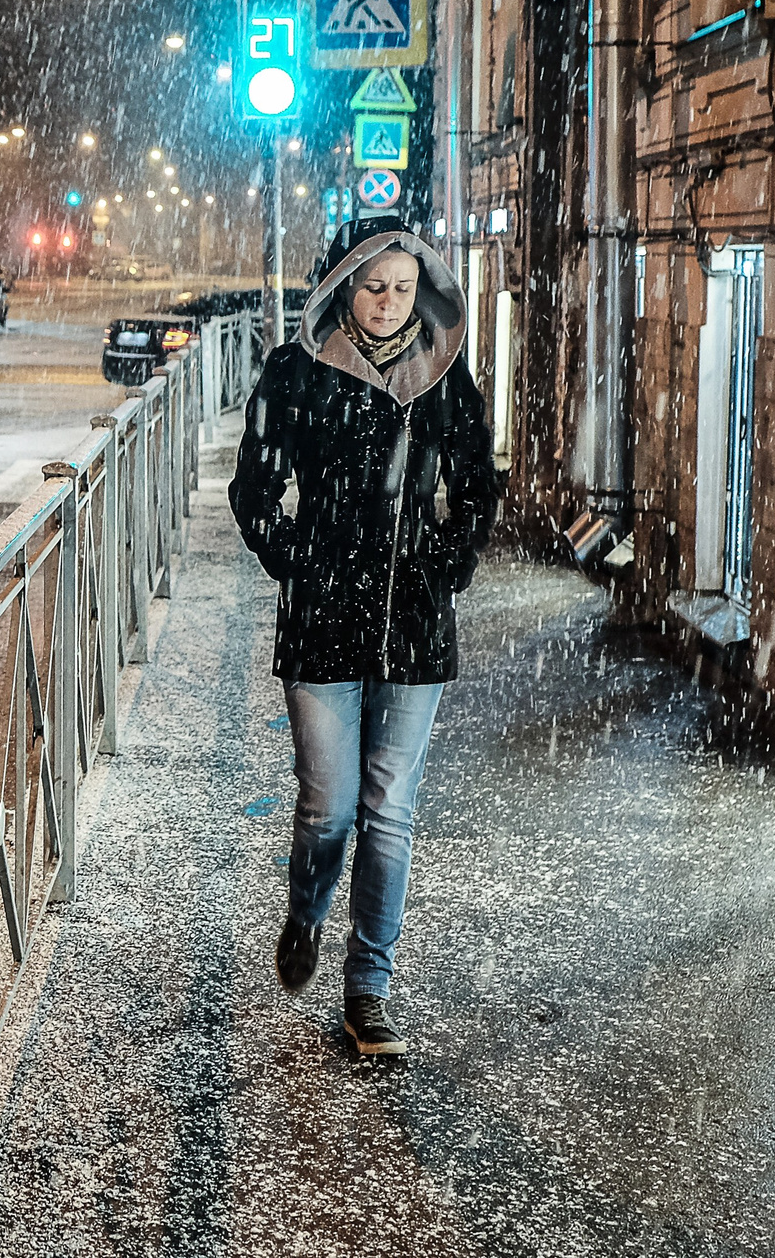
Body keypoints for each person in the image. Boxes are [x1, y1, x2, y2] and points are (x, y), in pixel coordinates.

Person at [228, 215, 497, 1057]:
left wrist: (445, 565)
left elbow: (478, 488)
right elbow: (253, 488)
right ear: (346, 285)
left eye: (403, 288)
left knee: (389, 812)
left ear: (423, 292)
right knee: (329, 806)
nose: (387, 302)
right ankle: (306, 911)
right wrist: (296, 558)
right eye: (375, 286)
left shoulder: (443, 376)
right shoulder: (298, 371)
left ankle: (368, 988)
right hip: (320, 624)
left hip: (413, 628)